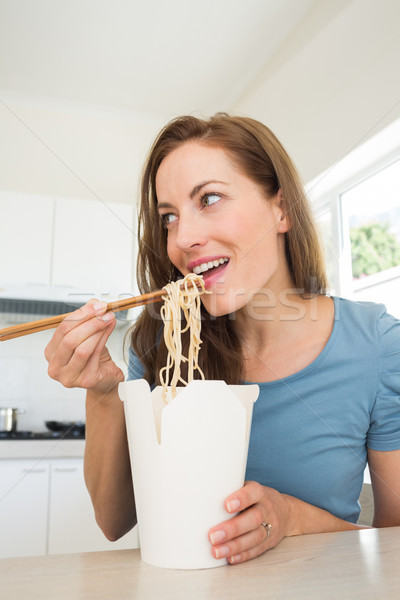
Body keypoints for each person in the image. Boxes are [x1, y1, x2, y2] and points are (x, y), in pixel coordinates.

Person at [45, 113, 400, 565]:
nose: (184, 239)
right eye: (169, 217)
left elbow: (396, 541)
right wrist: (101, 392)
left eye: (209, 198)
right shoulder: (157, 343)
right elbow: (114, 522)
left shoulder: (378, 345)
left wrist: (291, 517)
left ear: (282, 209)